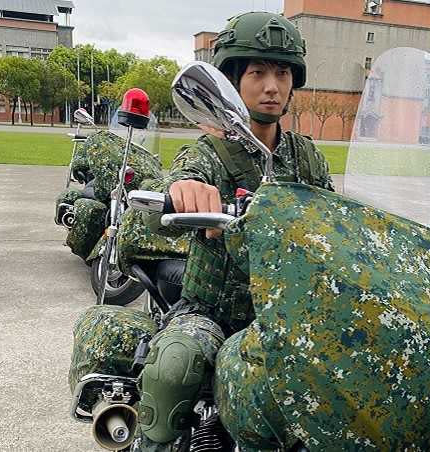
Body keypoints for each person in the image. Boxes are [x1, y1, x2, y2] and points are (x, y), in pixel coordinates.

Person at [136, 11, 334, 448]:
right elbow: (161, 200)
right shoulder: (210, 153)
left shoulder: (307, 158)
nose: (271, 86)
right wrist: (182, 190)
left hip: (291, 316)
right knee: (174, 363)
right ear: (231, 81)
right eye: (258, 72)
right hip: (214, 314)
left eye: (282, 73)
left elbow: (338, 222)